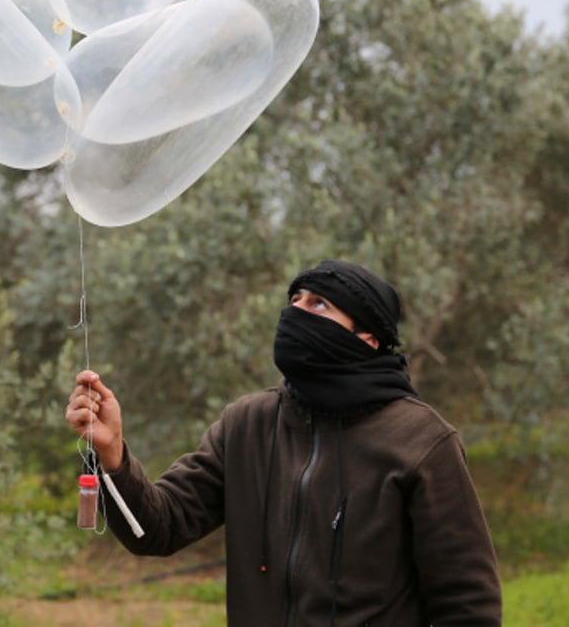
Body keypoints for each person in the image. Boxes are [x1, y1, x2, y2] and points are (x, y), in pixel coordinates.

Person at [65, 260, 501, 626]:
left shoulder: (421, 442)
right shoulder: (247, 425)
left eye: (319, 304)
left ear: (366, 339)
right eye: (295, 301)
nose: (296, 312)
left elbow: (467, 604)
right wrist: (112, 453)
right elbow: (158, 528)